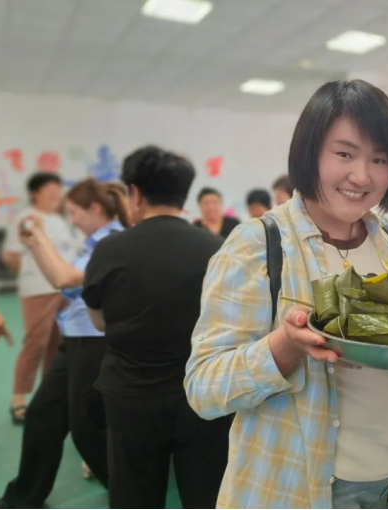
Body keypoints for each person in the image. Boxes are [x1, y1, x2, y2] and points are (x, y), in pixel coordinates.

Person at [185, 80, 388, 509]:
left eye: (379, 159)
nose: (362, 176)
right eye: (344, 154)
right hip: (297, 490)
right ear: (309, 152)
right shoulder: (258, 245)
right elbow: (204, 388)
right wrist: (286, 345)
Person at [82, 146, 231, 509]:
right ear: (184, 194)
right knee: (208, 492)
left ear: (135, 193)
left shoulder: (109, 249)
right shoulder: (218, 248)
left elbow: (98, 320)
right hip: (202, 394)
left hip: (131, 395)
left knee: (134, 494)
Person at [0, 179, 130, 510]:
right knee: (43, 415)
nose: (72, 220)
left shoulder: (111, 241)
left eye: (74, 213)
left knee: (86, 429)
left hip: (95, 342)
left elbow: (65, 278)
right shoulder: (92, 243)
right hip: (75, 338)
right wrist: (35, 244)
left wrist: (39, 239)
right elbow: (65, 283)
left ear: (95, 209)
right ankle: (23, 498)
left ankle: (130, 493)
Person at [2, 172, 78, 425]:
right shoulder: (27, 218)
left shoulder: (61, 219)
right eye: (50, 190)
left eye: (58, 189)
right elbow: (11, 256)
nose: (56, 194)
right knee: (36, 342)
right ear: (36, 193)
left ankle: (49, 397)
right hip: (38, 289)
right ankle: (18, 399)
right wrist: (31, 274)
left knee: (58, 345)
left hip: (64, 289)